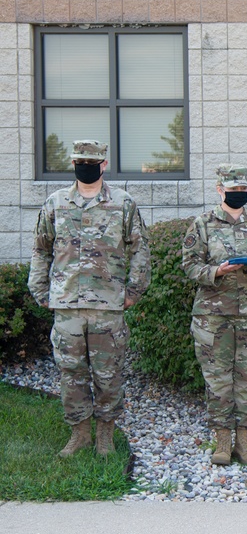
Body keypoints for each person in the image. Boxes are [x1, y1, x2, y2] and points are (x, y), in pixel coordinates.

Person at [28, 140, 151, 458]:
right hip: (67, 306)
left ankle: (105, 436)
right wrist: (41, 291)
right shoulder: (55, 203)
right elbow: (41, 249)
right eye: (80, 161)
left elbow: (139, 249)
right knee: (71, 373)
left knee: (108, 373)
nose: (85, 166)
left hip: (107, 307)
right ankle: (80, 433)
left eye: (91, 161)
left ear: (103, 164)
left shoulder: (123, 203)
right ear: (73, 164)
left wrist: (133, 292)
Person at [182, 164, 247, 466]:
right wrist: (217, 271)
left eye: (242, 190)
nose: (238, 194)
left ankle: (245, 442)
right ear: (219, 189)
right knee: (217, 380)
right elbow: (189, 265)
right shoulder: (202, 224)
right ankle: (222, 442)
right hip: (213, 316)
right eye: (232, 190)